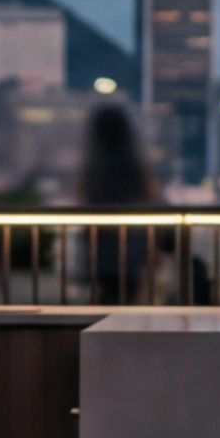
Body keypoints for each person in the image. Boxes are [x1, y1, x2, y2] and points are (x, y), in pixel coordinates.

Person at [74, 103, 159, 305]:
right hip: (132, 249)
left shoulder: (92, 171)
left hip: (100, 249)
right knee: (128, 300)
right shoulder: (136, 169)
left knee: (104, 300)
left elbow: (82, 199)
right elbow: (153, 199)